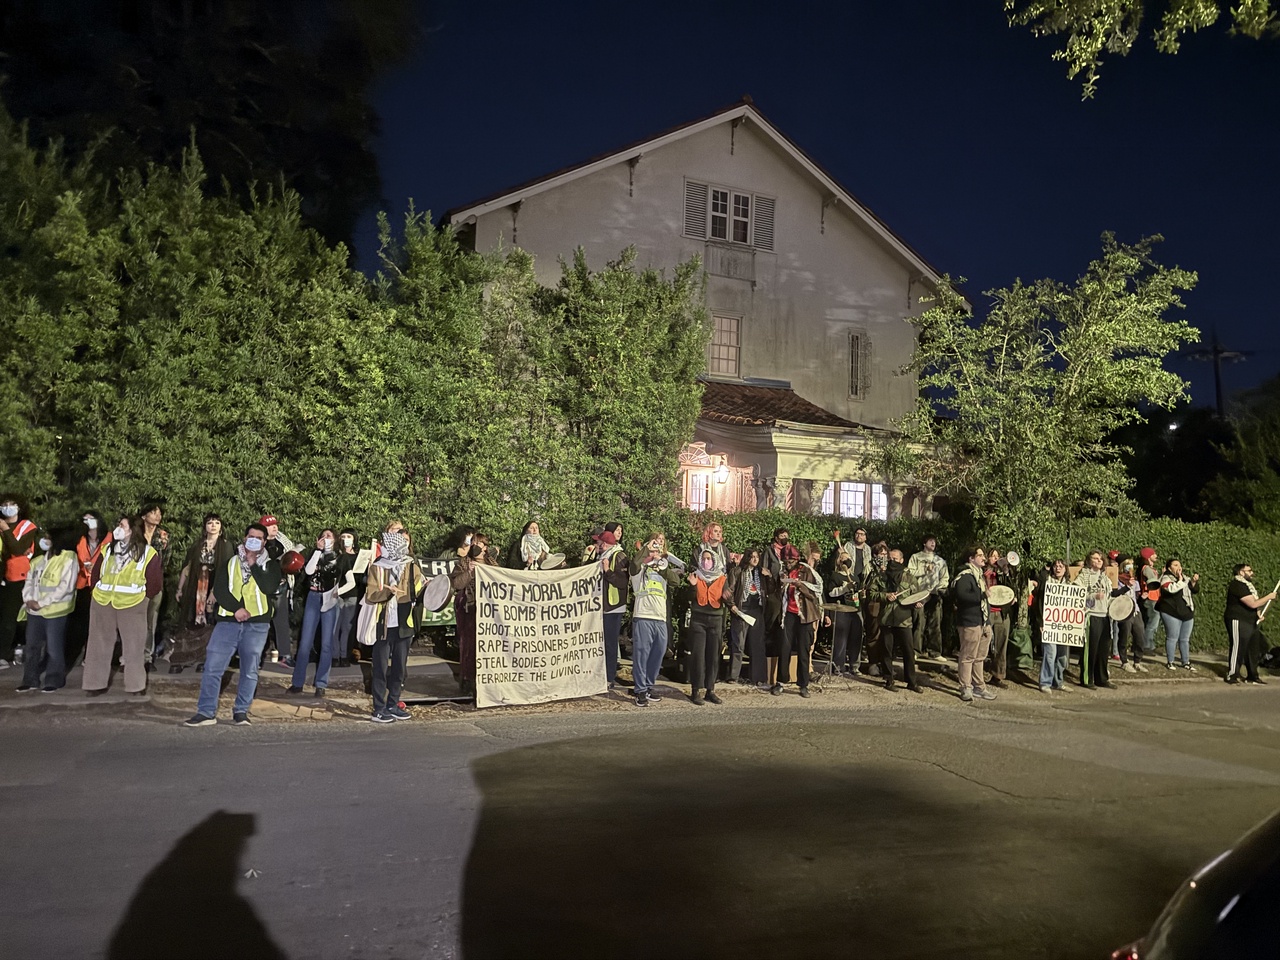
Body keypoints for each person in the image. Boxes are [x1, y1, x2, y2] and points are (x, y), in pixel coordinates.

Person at [184, 522, 283, 725]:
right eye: (251, 537)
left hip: (257, 624)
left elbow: (269, 587)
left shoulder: (271, 565)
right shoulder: (230, 562)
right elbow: (220, 589)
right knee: (213, 667)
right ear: (245, 538)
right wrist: (236, 608)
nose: (254, 540)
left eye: (259, 538)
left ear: (264, 542)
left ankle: (241, 711)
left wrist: (253, 563)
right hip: (228, 621)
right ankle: (206, 712)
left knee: (249, 670)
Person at [83, 516, 162, 696]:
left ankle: (135, 686)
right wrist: (95, 591)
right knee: (97, 645)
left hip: (132, 603)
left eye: (121, 525)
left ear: (132, 530)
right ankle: (94, 685)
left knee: (134, 647)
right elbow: (96, 573)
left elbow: (155, 583)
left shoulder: (148, 553)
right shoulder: (107, 549)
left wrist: (143, 598)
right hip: (103, 601)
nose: (117, 528)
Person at [363, 523, 426, 722]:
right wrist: (387, 592)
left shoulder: (410, 565)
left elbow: (419, 586)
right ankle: (379, 708)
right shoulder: (378, 566)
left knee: (399, 667)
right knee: (380, 667)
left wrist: (428, 586)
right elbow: (371, 594)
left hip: (404, 622)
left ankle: (394, 703)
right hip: (383, 624)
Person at [17, 525, 79, 692]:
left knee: (53, 648)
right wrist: (28, 599)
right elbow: (29, 582)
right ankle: (30, 680)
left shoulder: (68, 558)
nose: (44, 540)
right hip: (34, 610)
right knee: (31, 647)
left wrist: (42, 602)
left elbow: (65, 586)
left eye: (48, 537)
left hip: (55, 611)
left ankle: (54, 680)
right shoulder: (37, 561)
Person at [170, 513, 233, 671]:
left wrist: (215, 592)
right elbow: (187, 568)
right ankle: (182, 659)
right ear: (205, 526)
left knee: (209, 624)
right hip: (195, 587)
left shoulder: (226, 546)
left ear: (221, 527)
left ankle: (204, 660)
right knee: (190, 622)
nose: (213, 525)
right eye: (210, 522)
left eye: (217, 522)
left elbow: (227, 571)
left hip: (215, 585)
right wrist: (179, 589)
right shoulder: (197, 545)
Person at [288, 528, 341, 696]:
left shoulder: (338, 556)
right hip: (313, 596)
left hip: (329, 598)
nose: (326, 538)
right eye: (323, 536)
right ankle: (297, 682)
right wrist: (318, 551)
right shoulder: (314, 553)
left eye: (329, 536)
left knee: (326, 643)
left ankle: (321, 683)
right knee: (305, 642)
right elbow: (309, 571)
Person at [870, 547, 921, 692]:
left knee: (908, 652)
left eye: (896, 559)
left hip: (904, 619)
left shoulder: (909, 577)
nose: (893, 562)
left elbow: (917, 595)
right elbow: (871, 593)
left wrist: (918, 603)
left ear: (902, 560)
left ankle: (912, 682)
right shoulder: (881, 576)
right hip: (886, 619)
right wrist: (885, 596)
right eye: (890, 559)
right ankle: (888, 680)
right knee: (886, 651)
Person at [773, 544, 818, 698]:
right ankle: (781, 682)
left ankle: (803, 685)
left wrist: (800, 585)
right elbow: (777, 593)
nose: (788, 563)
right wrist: (781, 584)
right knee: (784, 648)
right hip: (788, 614)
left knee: (803, 651)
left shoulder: (806, 571)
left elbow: (815, 593)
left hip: (804, 615)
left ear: (797, 559)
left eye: (791, 560)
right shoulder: (783, 572)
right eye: (786, 561)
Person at [629, 540, 670, 706]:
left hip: (660, 618)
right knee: (641, 655)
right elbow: (633, 565)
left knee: (658, 653)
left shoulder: (662, 571)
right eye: (653, 549)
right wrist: (646, 551)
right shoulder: (639, 571)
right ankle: (640, 690)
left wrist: (662, 565)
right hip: (643, 616)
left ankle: (648, 685)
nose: (655, 552)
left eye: (658, 549)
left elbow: (675, 580)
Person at [685, 547, 728, 705]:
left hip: (716, 620)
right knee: (698, 656)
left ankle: (710, 690)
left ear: (715, 560)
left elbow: (726, 600)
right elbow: (688, 599)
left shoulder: (722, 578)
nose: (706, 561)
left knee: (713, 657)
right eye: (704, 559)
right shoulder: (696, 575)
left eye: (709, 559)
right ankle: (696, 690)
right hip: (698, 620)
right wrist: (692, 586)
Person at [953, 545, 996, 702]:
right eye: (980, 555)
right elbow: (962, 595)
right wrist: (982, 594)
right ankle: (966, 687)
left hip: (983, 621)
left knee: (980, 657)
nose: (983, 558)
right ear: (971, 558)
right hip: (969, 622)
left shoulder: (979, 576)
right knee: (968, 656)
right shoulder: (965, 576)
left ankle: (979, 686)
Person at [68, 510, 111, 668]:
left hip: (102, 584)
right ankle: (78, 655)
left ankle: (94, 656)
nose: (87, 522)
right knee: (82, 623)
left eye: (90, 519)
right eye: (84, 519)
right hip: (82, 585)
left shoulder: (109, 538)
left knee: (99, 624)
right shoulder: (79, 539)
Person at [0, 493, 38, 669]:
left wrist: (6, 530)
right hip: (4, 577)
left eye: (11, 504)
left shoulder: (27, 526)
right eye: (4, 504)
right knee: (6, 618)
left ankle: (14, 652)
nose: (7, 507)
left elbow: (16, 549)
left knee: (18, 618)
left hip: (22, 577)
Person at [1224, 563, 1275, 685]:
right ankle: (1232, 674)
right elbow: (1252, 603)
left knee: (1253, 648)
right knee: (1238, 646)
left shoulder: (1248, 586)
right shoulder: (1237, 585)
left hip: (1250, 621)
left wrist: (1258, 614)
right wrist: (1268, 597)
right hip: (1237, 619)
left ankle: (1252, 675)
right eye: (1249, 570)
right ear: (1241, 572)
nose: (1252, 573)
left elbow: (1254, 605)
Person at [259, 514, 298, 665]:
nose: (274, 528)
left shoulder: (283, 542)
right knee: (261, 623)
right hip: (263, 588)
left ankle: (285, 654)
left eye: (275, 525)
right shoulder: (259, 543)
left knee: (282, 622)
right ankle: (259, 655)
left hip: (281, 586)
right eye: (270, 526)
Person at [447, 526, 479, 697]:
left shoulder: (492, 563)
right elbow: (457, 584)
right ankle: (468, 679)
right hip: (468, 607)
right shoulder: (463, 563)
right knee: (468, 645)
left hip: (490, 611)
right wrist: (470, 571)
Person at [726, 548, 766, 686]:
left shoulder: (760, 573)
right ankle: (733, 676)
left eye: (757, 557)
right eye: (752, 557)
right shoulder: (737, 572)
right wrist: (732, 606)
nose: (755, 559)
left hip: (756, 610)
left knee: (757, 644)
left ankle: (757, 677)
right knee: (738, 644)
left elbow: (770, 591)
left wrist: (770, 577)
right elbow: (729, 590)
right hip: (742, 610)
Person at [138, 502, 171, 665]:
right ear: (144, 516)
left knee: (151, 620)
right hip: (134, 582)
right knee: (133, 620)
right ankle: (128, 656)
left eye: (159, 513)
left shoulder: (163, 535)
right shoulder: (135, 534)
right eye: (153, 512)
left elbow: (165, 560)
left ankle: (146, 656)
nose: (157, 516)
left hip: (155, 581)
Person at [1074, 549, 1113, 689]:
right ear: (1089, 560)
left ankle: (1102, 678)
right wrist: (1092, 597)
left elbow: (1109, 596)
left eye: (1100, 559)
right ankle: (1087, 679)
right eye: (1095, 558)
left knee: (1104, 649)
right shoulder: (1083, 576)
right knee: (1091, 649)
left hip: (1105, 615)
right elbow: (1076, 595)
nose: (1099, 561)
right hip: (1091, 615)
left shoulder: (1105, 577)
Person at [907, 535, 948, 660]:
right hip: (919, 593)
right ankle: (915, 650)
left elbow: (945, 577)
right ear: (924, 543)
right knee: (919, 622)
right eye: (930, 541)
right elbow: (909, 574)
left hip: (934, 594)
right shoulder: (916, 557)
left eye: (934, 541)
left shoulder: (940, 561)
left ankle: (935, 652)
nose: (933, 543)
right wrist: (924, 570)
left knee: (935, 623)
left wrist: (940, 588)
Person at [598, 522, 627, 689]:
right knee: (601, 643)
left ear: (605, 544)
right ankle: (602, 675)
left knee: (609, 643)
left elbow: (622, 582)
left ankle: (609, 678)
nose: (597, 545)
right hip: (602, 606)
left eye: (599, 543)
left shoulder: (619, 556)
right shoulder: (601, 556)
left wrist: (608, 571)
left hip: (613, 607)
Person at [827, 542, 863, 677]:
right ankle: (838, 666)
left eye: (848, 558)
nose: (846, 560)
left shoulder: (854, 577)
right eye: (843, 558)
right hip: (841, 610)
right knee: (840, 640)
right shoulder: (835, 576)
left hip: (855, 610)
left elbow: (858, 593)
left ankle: (854, 666)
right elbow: (830, 593)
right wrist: (844, 589)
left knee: (856, 638)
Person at [1156, 559, 1200, 671]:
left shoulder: (1185, 578)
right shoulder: (1165, 578)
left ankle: (1186, 662)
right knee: (1172, 637)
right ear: (1169, 568)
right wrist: (1180, 581)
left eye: (1180, 565)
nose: (1179, 567)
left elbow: (1193, 590)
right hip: (1171, 612)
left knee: (1185, 639)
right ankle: (1170, 662)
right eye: (1175, 565)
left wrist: (1194, 582)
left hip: (1186, 612)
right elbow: (1171, 589)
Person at [1037, 559, 1073, 693]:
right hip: (1049, 624)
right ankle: (1045, 682)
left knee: (1062, 656)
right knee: (1050, 654)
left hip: (1064, 626)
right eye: (1055, 566)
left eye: (1061, 566)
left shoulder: (1070, 585)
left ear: (1065, 569)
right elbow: (1040, 603)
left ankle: (1058, 682)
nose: (1058, 568)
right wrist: (1041, 623)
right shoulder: (1046, 583)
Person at [983, 547, 1017, 686]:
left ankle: (998, 675)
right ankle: (978, 673)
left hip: (1002, 612)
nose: (995, 558)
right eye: (993, 556)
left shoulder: (1004, 574)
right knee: (985, 643)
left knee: (1002, 644)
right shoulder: (982, 572)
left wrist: (1006, 572)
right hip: (989, 611)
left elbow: (1011, 588)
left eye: (998, 556)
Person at [332, 529, 364, 668]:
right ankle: (335, 655)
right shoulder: (337, 556)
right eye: (343, 536)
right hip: (337, 594)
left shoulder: (359, 557)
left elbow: (361, 579)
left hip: (352, 594)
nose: (346, 539)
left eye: (349, 536)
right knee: (335, 626)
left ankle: (344, 655)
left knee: (347, 627)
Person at [1114, 554, 1147, 673]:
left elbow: (1136, 596)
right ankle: (1124, 661)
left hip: (1135, 610)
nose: (1130, 566)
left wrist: (1142, 597)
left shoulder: (1135, 581)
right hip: (1123, 611)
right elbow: (1116, 594)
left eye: (1132, 564)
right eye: (1128, 564)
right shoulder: (1117, 579)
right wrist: (1127, 586)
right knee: (1124, 635)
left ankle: (1137, 661)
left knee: (1140, 634)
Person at [863, 541, 889, 675]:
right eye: (881, 554)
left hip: (888, 606)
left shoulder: (890, 566)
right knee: (873, 634)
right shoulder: (870, 566)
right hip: (874, 604)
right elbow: (865, 583)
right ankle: (872, 663)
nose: (883, 556)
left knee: (886, 637)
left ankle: (885, 665)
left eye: (885, 554)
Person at [1138, 546, 1162, 652]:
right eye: (1153, 554)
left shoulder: (1150, 569)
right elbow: (1153, 582)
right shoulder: (1147, 569)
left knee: (1152, 623)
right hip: (1151, 599)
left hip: (1154, 598)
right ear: (1148, 556)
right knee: (1152, 624)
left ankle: (1150, 645)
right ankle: (1147, 645)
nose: (1156, 556)